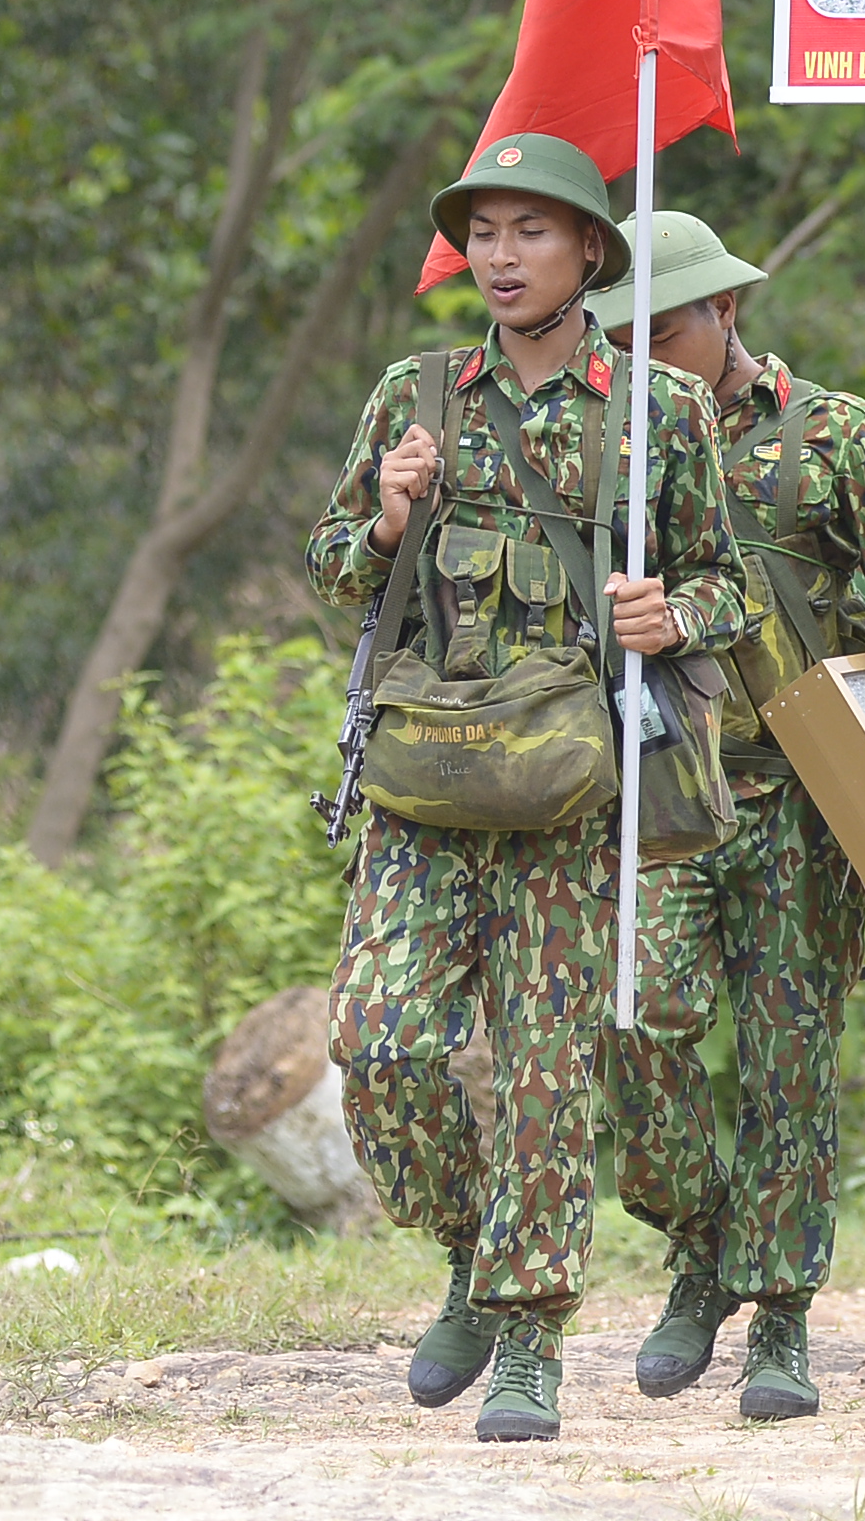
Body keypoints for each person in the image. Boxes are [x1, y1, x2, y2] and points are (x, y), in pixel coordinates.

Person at [308, 133, 750, 1443]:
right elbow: (332, 567)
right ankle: (469, 1249)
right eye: (484, 232)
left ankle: (528, 1338)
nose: (501, 257)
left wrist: (669, 610)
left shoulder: (657, 412)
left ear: (589, 254)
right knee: (377, 1047)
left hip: (575, 793)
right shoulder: (419, 392)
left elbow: (731, 584)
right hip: (425, 785)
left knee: (553, 1073)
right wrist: (388, 522)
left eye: (530, 232)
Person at [589, 213, 865, 1422]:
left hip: (806, 785)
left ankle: (781, 1314)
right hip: (662, 785)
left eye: (672, 328)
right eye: (625, 336)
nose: (650, 354)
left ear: (728, 314)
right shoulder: (601, 444)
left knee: (789, 1058)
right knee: (632, 1012)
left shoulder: (834, 434)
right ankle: (702, 1244)